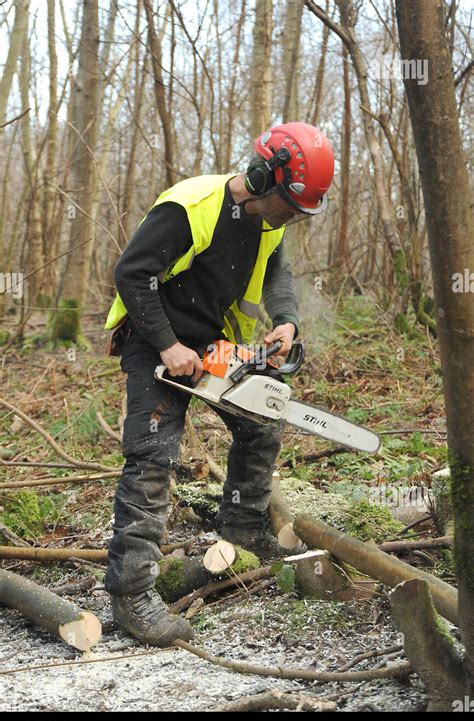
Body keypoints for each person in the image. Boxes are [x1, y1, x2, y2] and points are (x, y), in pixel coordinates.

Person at [103, 122, 334, 646]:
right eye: (289, 205)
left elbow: (277, 272)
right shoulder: (192, 205)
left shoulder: (270, 223)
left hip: (210, 339)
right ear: (262, 176)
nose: (292, 217)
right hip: (152, 338)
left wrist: (286, 320)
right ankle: (131, 593)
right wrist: (166, 344)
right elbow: (131, 273)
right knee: (153, 455)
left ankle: (242, 529)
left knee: (263, 420)